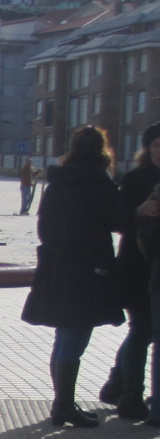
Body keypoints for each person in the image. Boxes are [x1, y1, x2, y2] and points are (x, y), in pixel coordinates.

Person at [21, 125, 131, 428]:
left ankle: (63, 403)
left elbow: (43, 228)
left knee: (64, 335)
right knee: (75, 335)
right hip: (87, 270)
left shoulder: (57, 183)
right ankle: (64, 406)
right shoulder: (98, 183)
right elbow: (121, 221)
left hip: (56, 266)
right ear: (102, 151)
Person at [97, 122, 160, 419]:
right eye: (157, 146)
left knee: (146, 332)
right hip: (137, 268)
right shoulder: (136, 179)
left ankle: (117, 383)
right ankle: (131, 395)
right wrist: (138, 212)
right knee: (143, 330)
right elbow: (118, 220)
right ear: (147, 149)